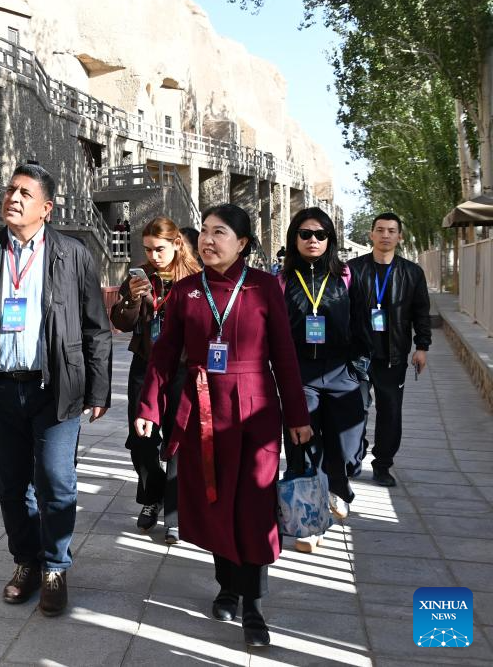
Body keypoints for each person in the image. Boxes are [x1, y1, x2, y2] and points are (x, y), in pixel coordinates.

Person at [0, 162, 113, 617]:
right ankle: (27, 561)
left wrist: (99, 390)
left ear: (46, 208)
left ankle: (55, 566)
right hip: (1, 389)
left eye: (25, 193)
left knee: (56, 482)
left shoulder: (72, 255)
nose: (13, 198)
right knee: (12, 487)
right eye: (11, 190)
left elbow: (96, 327)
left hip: (56, 388)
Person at [134, 204, 311, 647]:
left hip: (255, 408)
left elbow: (285, 356)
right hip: (203, 407)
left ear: (243, 243)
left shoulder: (265, 286)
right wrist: (150, 407)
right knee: (215, 499)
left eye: (220, 232)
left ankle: (253, 603)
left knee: (254, 504)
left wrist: (298, 416)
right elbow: (163, 354)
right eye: (205, 231)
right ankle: (227, 585)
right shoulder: (187, 290)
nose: (208, 240)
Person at [279, 208, 370, 553]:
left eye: (320, 234)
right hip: (300, 374)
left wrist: (359, 369)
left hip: (341, 372)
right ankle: (311, 524)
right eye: (305, 234)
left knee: (346, 448)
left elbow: (362, 322)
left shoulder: (346, 276)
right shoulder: (282, 280)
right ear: (294, 239)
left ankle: (337, 486)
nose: (313, 240)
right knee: (306, 447)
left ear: (330, 239)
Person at [110, 216, 200, 544]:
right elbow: (121, 323)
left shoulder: (194, 278)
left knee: (177, 438)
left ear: (176, 244)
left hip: (181, 367)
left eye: (159, 249)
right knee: (141, 439)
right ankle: (153, 494)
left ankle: (175, 514)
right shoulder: (140, 277)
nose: (154, 256)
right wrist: (132, 299)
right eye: (148, 249)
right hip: (145, 364)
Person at [347, 212, 431, 487]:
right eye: (380, 230)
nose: (385, 235)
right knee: (354, 410)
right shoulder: (352, 270)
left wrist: (422, 347)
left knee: (390, 413)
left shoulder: (412, 273)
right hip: (358, 354)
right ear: (371, 234)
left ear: (399, 237)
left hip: (393, 356)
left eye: (391, 231)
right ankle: (353, 457)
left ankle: (382, 465)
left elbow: (421, 313)